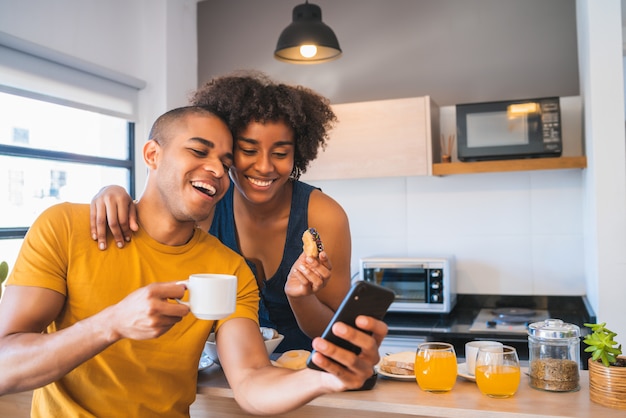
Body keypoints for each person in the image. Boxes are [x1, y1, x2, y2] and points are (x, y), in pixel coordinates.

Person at [0, 106, 388, 417]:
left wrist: (325, 379)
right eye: (199, 151)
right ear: (152, 154)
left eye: (224, 159)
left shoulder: (230, 268)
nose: (217, 170)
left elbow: (252, 381)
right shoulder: (65, 227)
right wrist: (111, 324)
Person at [90, 70, 352, 352]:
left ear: (297, 153)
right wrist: (111, 192)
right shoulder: (206, 203)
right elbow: (156, 214)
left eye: (280, 153)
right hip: (220, 372)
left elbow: (338, 329)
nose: (265, 167)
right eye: (248, 150)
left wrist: (301, 299)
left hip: (305, 371)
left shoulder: (324, 216)